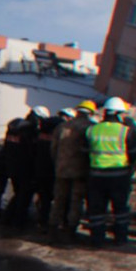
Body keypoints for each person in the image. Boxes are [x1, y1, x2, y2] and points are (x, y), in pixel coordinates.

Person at [84, 97, 136, 247]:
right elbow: (135, 153)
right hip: (119, 176)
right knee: (120, 208)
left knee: (97, 209)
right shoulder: (126, 132)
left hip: (96, 176)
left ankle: (97, 239)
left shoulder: (91, 130)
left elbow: (84, 152)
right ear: (118, 113)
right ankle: (120, 238)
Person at [49, 100, 96, 243]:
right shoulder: (91, 128)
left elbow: (53, 148)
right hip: (80, 171)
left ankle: (53, 228)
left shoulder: (62, 126)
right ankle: (70, 230)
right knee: (76, 201)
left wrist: (58, 163)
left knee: (59, 200)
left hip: (61, 169)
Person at [3, 106, 49, 231]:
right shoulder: (29, 131)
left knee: (19, 193)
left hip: (12, 166)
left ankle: (8, 218)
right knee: (24, 195)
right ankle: (18, 222)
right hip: (24, 168)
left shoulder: (14, 127)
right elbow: (31, 152)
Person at [33, 109, 73, 231]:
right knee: (60, 198)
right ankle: (58, 223)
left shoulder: (40, 134)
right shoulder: (58, 138)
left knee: (44, 197)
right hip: (54, 171)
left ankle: (42, 221)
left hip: (39, 170)